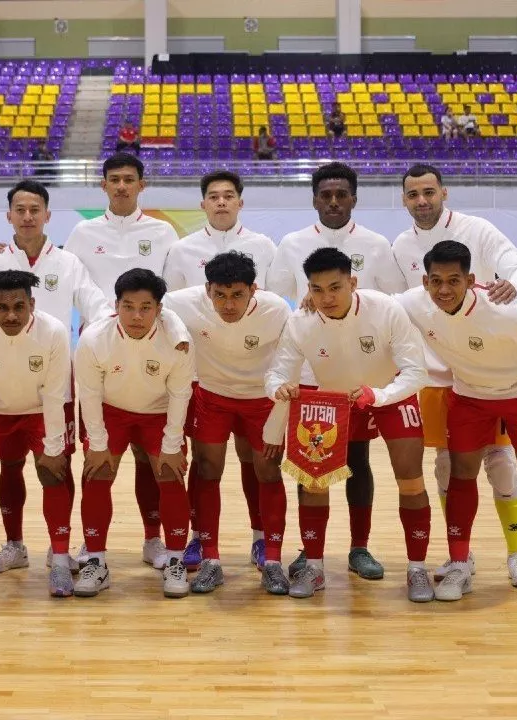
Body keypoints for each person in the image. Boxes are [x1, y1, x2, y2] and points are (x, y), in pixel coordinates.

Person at [390, 163, 517, 588]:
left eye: (429, 192)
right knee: (447, 468)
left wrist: (516, 287)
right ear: (404, 199)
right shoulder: (401, 246)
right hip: (438, 375)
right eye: (413, 194)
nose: (422, 201)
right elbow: (396, 302)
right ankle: (462, 555)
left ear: (444, 193)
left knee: (502, 464)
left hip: (490, 371)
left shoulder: (479, 230)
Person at [396, 240, 517, 611]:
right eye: (436, 281)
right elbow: (372, 304)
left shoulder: (506, 311)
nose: (444, 289)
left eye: (453, 281)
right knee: (459, 474)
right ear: (425, 282)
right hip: (468, 396)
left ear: (471, 280)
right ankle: (459, 564)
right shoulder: (415, 303)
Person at [265, 248, 430, 601]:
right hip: (333, 398)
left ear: (353, 283)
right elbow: (278, 372)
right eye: (317, 289)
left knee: (411, 479)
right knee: (313, 481)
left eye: (335, 288)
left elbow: (417, 372)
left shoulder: (386, 309)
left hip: (390, 393)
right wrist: (277, 387)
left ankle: (417, 570)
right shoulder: (300, 321)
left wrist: (379, 395)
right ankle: (314, 566)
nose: (326, 298)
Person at [267, 162, 405, 582]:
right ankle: (310, 551)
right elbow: (275, 299)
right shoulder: (291, 244)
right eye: (325, 195)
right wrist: (307, 303)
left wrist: (346, 301)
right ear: (314, 200)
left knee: (358, 461)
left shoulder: (376, 244)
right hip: (311, 375)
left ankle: (359, 547)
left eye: (341, 194)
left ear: (353, 199)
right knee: (311, 465)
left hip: (358, 375)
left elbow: (397, 298)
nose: (332, 201)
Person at [0, 180, 107, 572]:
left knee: (56, 466)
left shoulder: (68, 263)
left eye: (35, 210)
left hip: (54, 385)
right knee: (9, 466)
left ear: (47, 215)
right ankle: (14, 545)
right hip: (1, 386)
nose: (27, 217)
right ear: (8, 215)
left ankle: (58, 547)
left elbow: (96, 307)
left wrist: (109, 340)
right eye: (20, 210)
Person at [64, 153, 184, 568]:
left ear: (141, 185)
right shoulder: (82, 233)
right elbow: (73, 285)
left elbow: (172, 291)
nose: (121, 186)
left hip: (152, 353)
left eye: (128, 179)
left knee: (152, 461)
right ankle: (92, 544)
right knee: (97, 458)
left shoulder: (163, 232)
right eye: (113, 179)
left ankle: (154, 539)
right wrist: (104, 323)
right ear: (103, 185)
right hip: (101, 353)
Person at [162, 170, 277, 570]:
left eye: (229, 195)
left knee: (255, 460)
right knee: (206, 462)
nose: (222, 201)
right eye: (214, 196)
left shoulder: (264, 246)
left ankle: (262, 538)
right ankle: (200, 537)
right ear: (204, 204)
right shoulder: (182, 250)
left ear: (240, 202)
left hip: (254, 376)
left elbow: (278, 301)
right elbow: (166, 307)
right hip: (205, 376)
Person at [164, 251, 291, 594]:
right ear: (207, 289)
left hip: (262, 400)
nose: (228, 304)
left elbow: (292, 356)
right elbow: (143, 304)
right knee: (207, 469)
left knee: (268, 470)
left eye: (237, 295)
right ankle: (211, 558)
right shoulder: (181, 302)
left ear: (254, 290)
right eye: (220, 295)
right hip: (212, 397)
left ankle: (271, 557)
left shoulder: (276, 309)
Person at [0, 270, 75, 597]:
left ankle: (60, 562)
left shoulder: (53, 331)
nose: (11, 315)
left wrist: (53, 448)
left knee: (53, 473)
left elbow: (54, 395)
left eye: (19, 306)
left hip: (40, 410)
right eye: (2, 307)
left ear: (32, 304)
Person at [73, 269, 194, 598]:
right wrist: (98, 444)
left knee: (170, 473)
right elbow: (89, 395)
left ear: (159, 309)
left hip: (159, 412)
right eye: (128, 307)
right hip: (111, 410)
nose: (136, 316)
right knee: (97, 472)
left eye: (145, 308)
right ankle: (96, 561)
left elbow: (181, 395)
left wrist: (172, 445)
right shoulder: (94, 339)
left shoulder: (178, 342)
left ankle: (175, 559)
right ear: (116, 306)